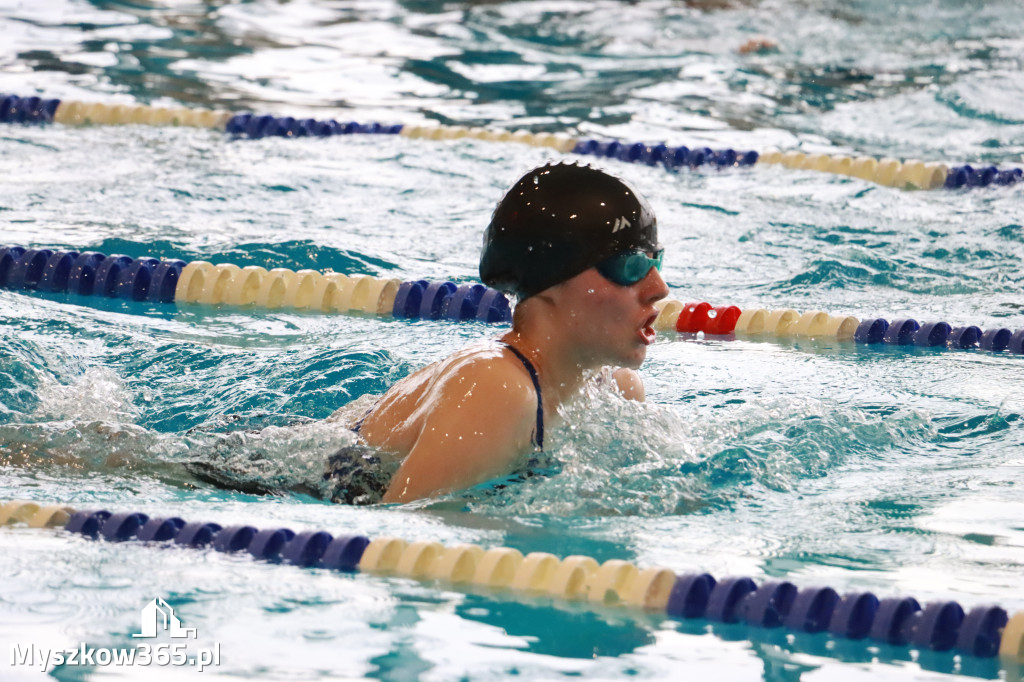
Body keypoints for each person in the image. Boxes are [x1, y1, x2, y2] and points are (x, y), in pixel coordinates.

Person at [327, 162, 670, 504]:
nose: (659, 288)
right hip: (323, 479)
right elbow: (399, 534)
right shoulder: (495, 386)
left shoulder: (616, 388)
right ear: (552, 279)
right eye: (632, 266)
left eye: (657, 263)